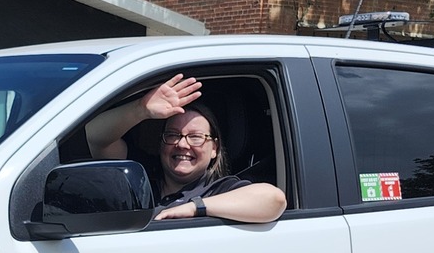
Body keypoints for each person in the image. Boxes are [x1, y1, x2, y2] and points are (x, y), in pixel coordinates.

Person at [82, 73, 287, 223]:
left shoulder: (218, 190)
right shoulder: (140, 176)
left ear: (214, 148)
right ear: (162, 142)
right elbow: (96, 137)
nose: (182, 144)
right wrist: (140, 110)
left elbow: (274, 200)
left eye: (196, 137)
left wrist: (195, 208)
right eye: (173, 135)